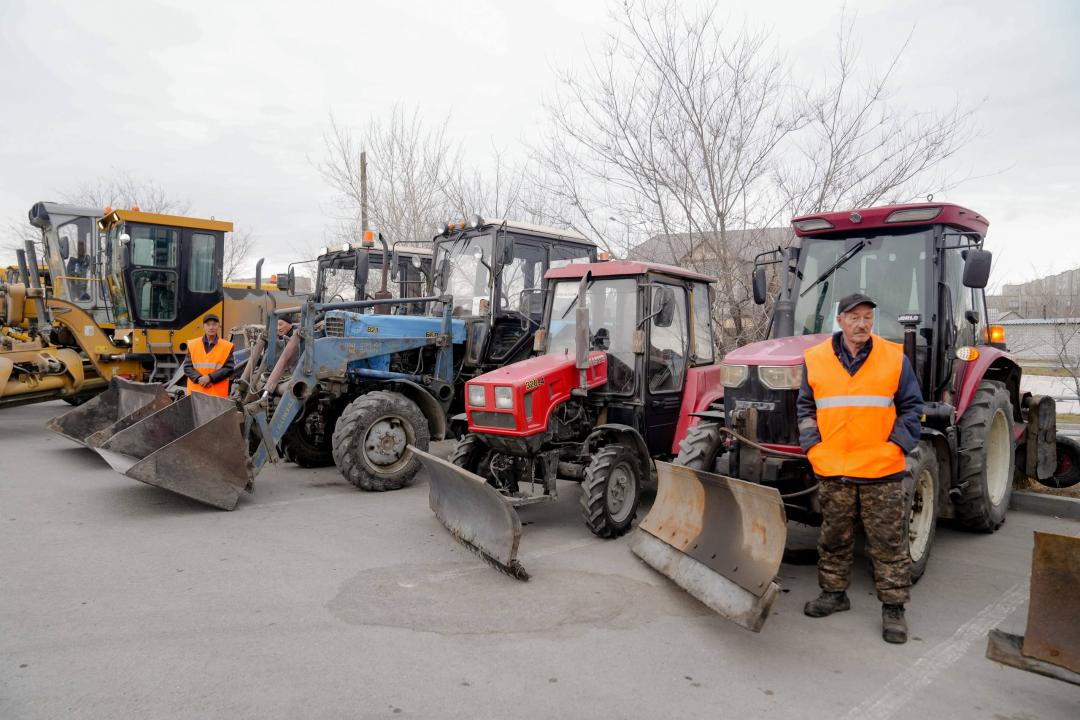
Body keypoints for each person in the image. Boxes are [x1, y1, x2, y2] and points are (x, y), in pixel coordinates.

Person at [797, 293, 923, 644]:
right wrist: (813, 446)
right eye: (854, 317)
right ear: (840, 321)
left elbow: (913, 407)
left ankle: (893, 608)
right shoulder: (816, 359)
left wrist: (897, 444)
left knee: (888, 542)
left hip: (880, 468)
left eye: (868, 317)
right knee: (834, 537)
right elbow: (805, 408)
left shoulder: (894, 357)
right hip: (833, 466)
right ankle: (834, 594)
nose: (862, 323)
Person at [182, 313, 235, 397]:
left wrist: (210, 378)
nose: (211, 327)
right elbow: (187, 367)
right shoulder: (193, 344)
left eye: (214, 324)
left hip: (217, 395)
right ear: (203, 327)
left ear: (218, 326)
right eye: (208, 324)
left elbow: (229, 368)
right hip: (196, 394)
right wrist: (200, 379)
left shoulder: (227, 346)